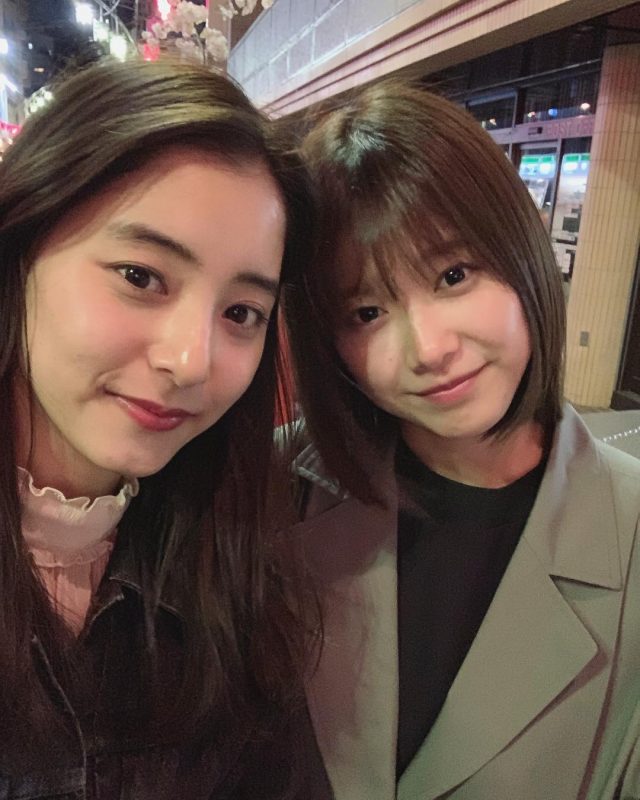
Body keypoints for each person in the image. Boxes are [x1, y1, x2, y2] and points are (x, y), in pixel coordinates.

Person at [283, 80, 640, 799]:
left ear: (522, 252)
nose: (430, 348)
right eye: (367, 311)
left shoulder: (629, 528)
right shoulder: (273, 485)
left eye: (453, 274)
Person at [0, 56, 330, 799]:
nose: (191, 361)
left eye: (241, 312)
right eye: (141, 276)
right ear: (21, 250)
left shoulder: (233, 578)